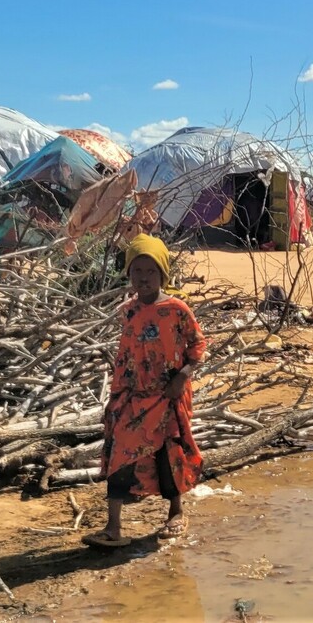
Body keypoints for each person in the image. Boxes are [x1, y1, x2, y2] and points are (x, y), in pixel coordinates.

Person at [83, 234, 207, 548]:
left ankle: (176, 513)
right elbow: (125, 356)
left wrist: (182, 378)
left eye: (151, 271)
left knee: (169, 454)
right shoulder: (128, 311)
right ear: (129, 275)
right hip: (133, 397)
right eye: (137, 271)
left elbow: (198, 346)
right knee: (119, 454)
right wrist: (116, 398)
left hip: (168, 395)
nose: (144, 278)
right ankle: (113, 528)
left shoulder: (177, 309)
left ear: (163, 273)